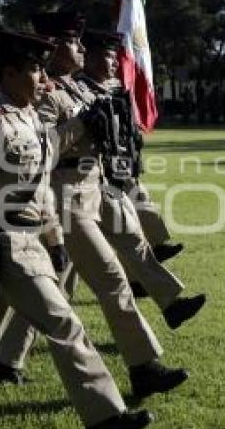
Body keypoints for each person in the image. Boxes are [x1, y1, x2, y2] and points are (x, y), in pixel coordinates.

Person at [0, 27, 152, 429]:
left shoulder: (29, 117)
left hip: (32, 242)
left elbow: (43, 182)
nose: (42, 79)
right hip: (6, 246)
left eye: (43, 70)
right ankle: (105, 418)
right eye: (33, 70)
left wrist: (55, 238)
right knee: (66, 324)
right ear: (8, 74)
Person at [0, 12, 189, 398]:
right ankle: (144, 367)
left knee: (54, 287)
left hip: (93, 189)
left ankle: (5, 360)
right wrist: (81, 125)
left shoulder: (80, 89)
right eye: (74, 42)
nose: (81, 48)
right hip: (63, 197)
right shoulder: (45, 95)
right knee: (110, 278)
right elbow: (42, 149)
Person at [79, 28, 205, 318]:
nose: (114, 64)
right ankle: (7, 353)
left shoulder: (108, 89)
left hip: (106, 180)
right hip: (76, 188)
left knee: (133, 241)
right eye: (109, 58)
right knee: (61, 274)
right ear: (92, 58)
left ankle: (171, 304)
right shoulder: (78, 92)